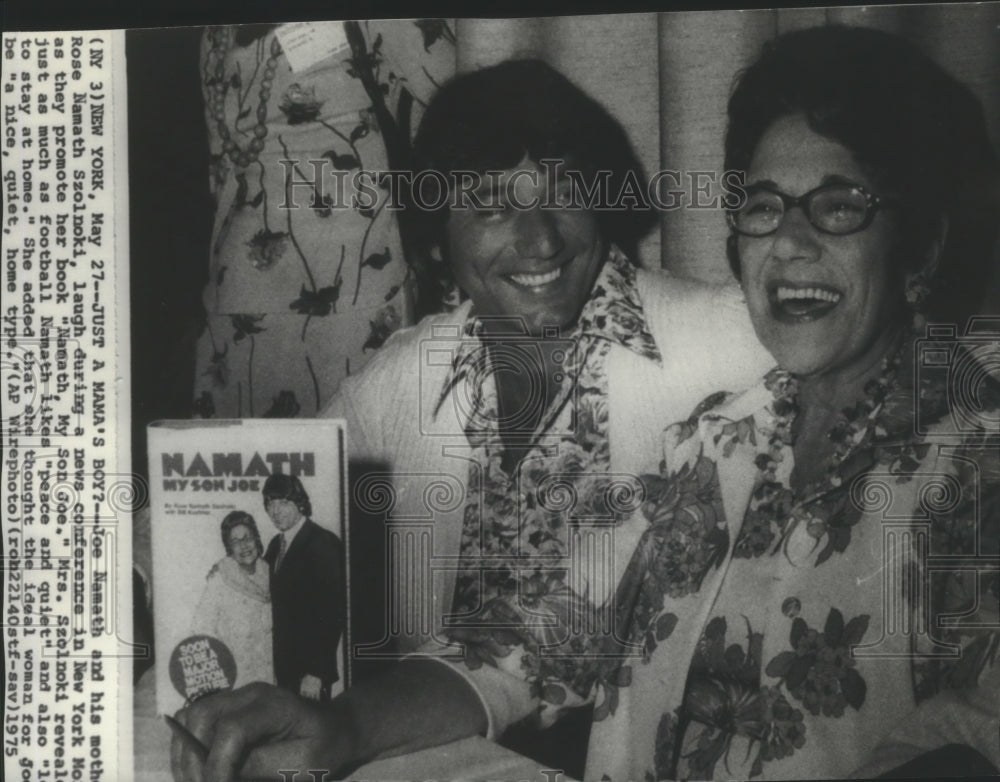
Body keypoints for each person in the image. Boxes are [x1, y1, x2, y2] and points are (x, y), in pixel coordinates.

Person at [170, 58, 774, 782]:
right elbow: (249, 490)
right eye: (490, 208)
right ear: (437, 239)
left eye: (564, 192)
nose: (541, 240)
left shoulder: (730, 339)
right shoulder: (407, 373)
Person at [262, 474, 346, 701]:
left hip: (308, 677)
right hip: (280, 670)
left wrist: (317, 673)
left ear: (300, 503)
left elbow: (333, 613)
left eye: (283, 503)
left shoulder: (323, 542)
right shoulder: (274, 545)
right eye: (270, 503)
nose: (275, 511)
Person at [190, 511, 274, 688]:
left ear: (257, 539)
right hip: (236, 684)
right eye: (235, 542)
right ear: (229, 548)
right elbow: (201, 629)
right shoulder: (220, 579)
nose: (244, 546)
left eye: (247, 538)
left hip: (270, 681)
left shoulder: (272, 573)